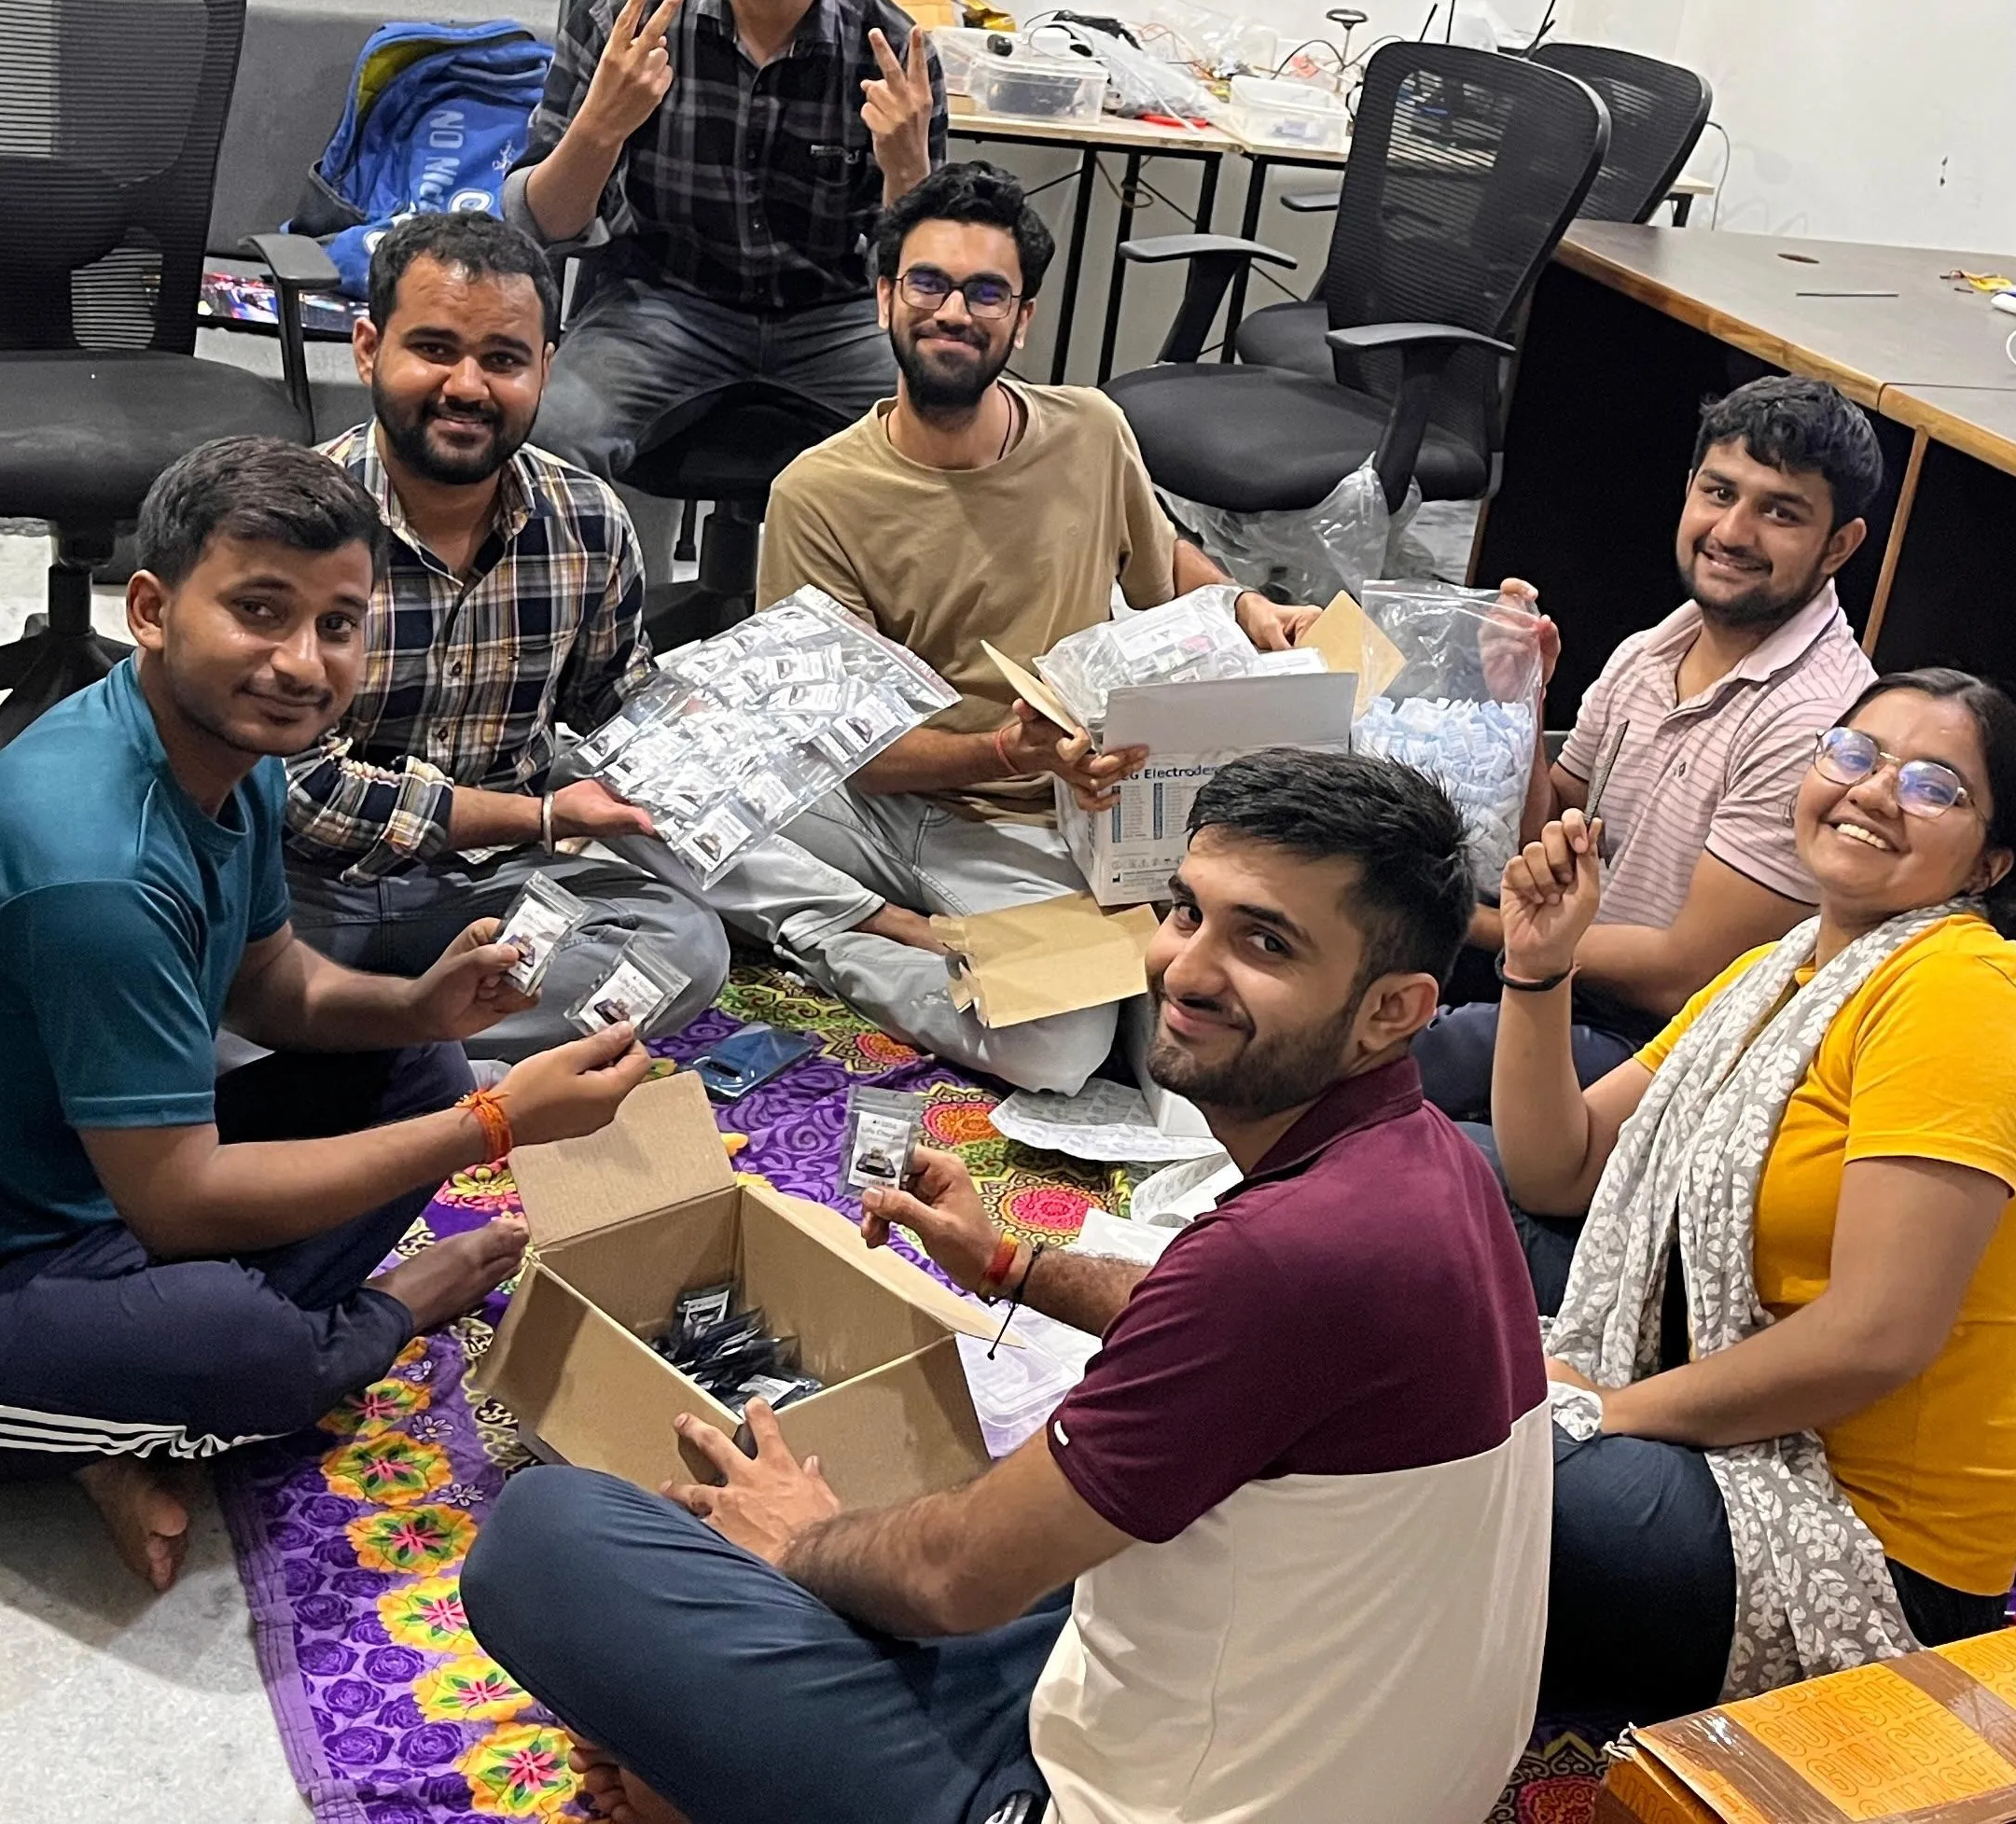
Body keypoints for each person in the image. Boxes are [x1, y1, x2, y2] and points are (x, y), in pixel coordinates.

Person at [464, 751, 1550, 1824]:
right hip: (1305, 1747)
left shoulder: (1280, 1259)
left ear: (1394, 1010)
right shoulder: (1427, 1164)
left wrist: (797, 1540)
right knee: (1020, 1565)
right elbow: (1222, 1341)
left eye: (1264, 942)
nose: (1185, 969)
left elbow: (955, 1580)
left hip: (1134, 1798)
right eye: (1186, 913)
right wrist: (1004, 1266)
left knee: (547, 1535)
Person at [0, 438, 657, 1590]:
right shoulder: (100, 871)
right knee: (256, 1352)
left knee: (420, 1063)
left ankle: (112, 1413)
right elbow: (180, 1205)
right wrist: (494, 1132)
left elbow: (273, 982)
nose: (300, 663)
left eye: (337, 623)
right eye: (260, 611)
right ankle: (227, 1372)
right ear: (151, 610)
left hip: (82, 1184)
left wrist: (417, 1005)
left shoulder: (230, 748)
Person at [1478, 668, 2016, 1723]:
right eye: (1854, 754)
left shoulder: (1960, 997)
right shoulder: (1784, 966)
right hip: (1713, 1415)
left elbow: (1876, 1338)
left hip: (1859, 1547)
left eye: (1936, 786)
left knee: (1442, 1462)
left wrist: (1601, 1416)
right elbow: (1559, 1169)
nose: (1875, 792)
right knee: (1446, 1202)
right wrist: (1540, 967)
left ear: (1990, 862)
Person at [694, 161, 1316, 1092]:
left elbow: (1163, 566)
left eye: (987, 292)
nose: (954, 311)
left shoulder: (1092, 430)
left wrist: (1242, 604)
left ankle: (831, 920)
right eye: (929, 284)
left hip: (1058, 817)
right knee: (629, 796)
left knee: (1122, 1033)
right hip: (892, 795)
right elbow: (854, 754)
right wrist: (1008, 750)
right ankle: (840, 924)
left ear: (1022, 320)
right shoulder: (818, 495)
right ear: (884, 301)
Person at [284, 209, 730, 1053]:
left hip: (489, 889)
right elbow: (303, 799)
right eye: (435, 349)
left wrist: (714, 733)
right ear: (369, 348)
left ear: (544, 370)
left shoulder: (588, 521)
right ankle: (423, 1052)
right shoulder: (293, 521)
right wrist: (543, 816)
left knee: (683, 947)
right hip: (303, 888)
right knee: (175, 963)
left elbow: (616, 706)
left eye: (503, 360)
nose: (467, 387)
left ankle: (369, 1052)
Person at [1416, 375, 1883, 1121]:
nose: (1732, 532)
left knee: (1421, 1055)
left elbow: (1682, 975)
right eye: (1720, 493)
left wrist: (1456, 919)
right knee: (1361, 970)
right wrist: (1525, 701)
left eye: (1780, 513)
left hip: (1667, 1044)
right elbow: (1550, 832)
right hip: (1565, 973)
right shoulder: (1653, 647)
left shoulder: (1813, 720)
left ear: (1839, 546)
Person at [519, 0, 942, 494]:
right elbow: (544, 227)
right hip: (662, 304)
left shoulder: (891, 50)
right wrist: (601, 126)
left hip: (836, 319)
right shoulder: (628, 15)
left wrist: (908, 170)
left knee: (970, 432)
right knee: (544, 436)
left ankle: (863, 612)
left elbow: (927, 274)